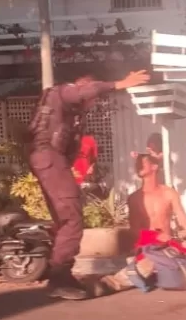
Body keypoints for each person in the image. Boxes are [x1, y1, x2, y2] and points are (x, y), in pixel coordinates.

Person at [28, 71, 150, 300]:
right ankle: (59, 277)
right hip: (49, 158)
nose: (94, 102)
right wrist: (121, 83)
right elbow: (87, 91)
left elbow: (70, 144)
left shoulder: (71, 112)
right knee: (72, 219)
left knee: (64, 219)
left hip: (50, 160)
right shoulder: (64, 92)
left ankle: (60, 274)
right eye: (93, 97)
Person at [92, 153, 186, 295]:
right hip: (149, 247)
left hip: (169, 245)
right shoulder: (134, 198)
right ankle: (111, 283)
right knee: (150, 260)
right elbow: (135, 230)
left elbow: (183, 219)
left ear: (154, 166)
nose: (138, 166)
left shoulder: (169, 193)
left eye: (142, 163)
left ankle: (175, 271)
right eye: (137, 164)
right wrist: (154, 237)